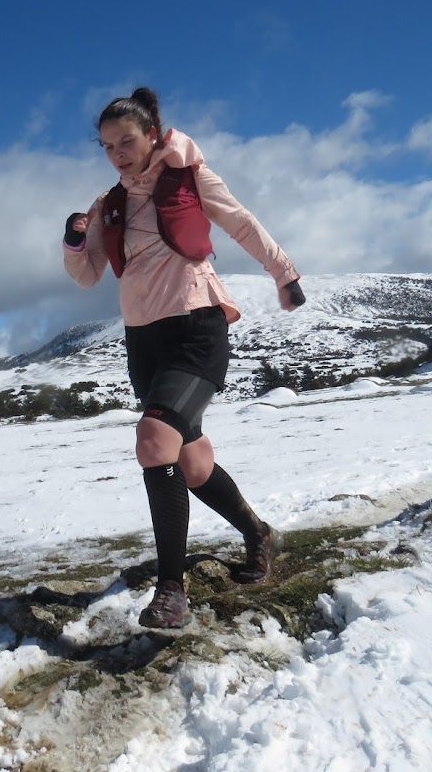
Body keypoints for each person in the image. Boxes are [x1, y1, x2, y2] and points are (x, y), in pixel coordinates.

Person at [62, 87, 305, 629]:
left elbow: (240, 222)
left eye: (127, 141)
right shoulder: (111, 205)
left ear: (152, 134)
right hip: (143, 342)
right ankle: (258, 532)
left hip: (197, 328)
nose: (118, 153)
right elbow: (86, 277)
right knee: (191, 464)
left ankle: (172, 589)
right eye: (107, 147)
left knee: (153, 442)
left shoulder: (190, 176)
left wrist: (284, 274)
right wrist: (76, 238)